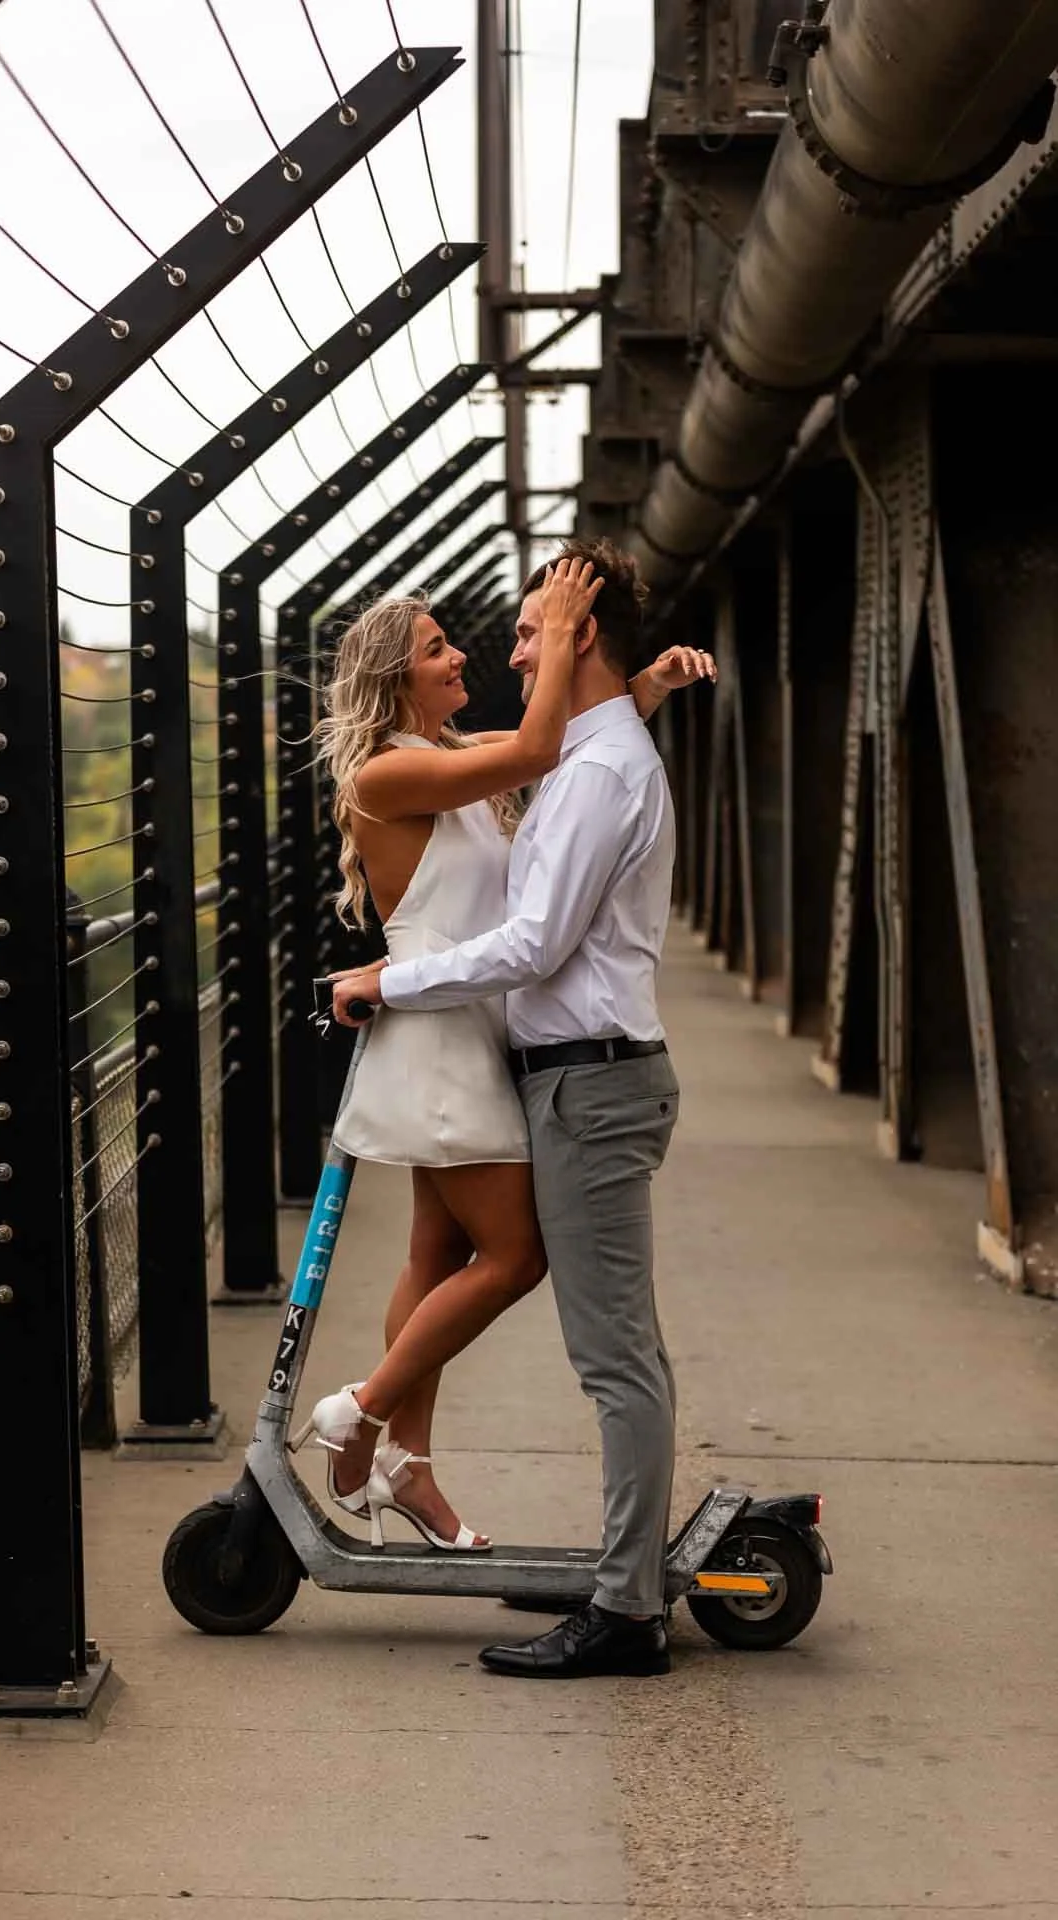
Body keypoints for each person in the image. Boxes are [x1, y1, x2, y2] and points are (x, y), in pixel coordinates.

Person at [330, 537, 703, 1679]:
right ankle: (395, 1445)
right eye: (446, 645)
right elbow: (550, 755)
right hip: (496, 1046)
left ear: (579, 636)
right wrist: (622, 692)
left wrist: (390, 980)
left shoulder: (572, 768)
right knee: (464, 1258)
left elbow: (538, 904)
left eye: (529, 631)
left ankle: (621, 1607)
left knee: (598, 1346)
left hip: (556, 1062)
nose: (501, 654)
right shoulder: (431, 768)